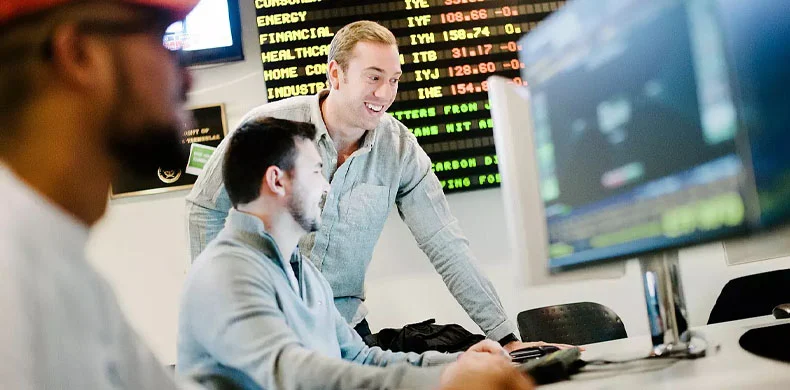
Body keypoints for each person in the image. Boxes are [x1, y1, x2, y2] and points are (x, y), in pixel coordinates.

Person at [186, 20, 565, 353]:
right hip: (273, 328)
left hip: (346, 332)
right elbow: (205, 207)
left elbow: (446, 244)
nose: (385, 93)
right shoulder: (267, 127)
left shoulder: (399, 149)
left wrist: (505, 339)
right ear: (336, 75)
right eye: (373, 77)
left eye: (394, 80)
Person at [177, 117, 534, 390]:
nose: (326, 185)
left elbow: (361, 357)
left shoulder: (304, 272)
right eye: (316, 171)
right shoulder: (226, 272)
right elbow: (291, 373)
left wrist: (457, 363)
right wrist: (441, 382)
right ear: (277, 180)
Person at [0, 0, 202, 388]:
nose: (188, 77)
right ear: (79, 55)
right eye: (162, 37)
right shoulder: (11, 276)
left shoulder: (65, 269)